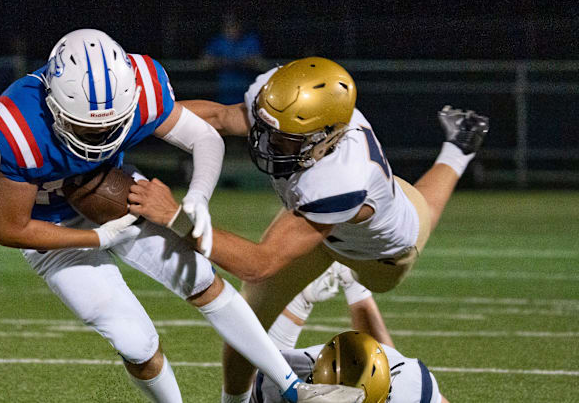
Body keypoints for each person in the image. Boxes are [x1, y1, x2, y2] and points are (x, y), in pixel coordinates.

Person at [0, 31, 362, 403]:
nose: (100, 136)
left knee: (200, 277)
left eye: (110, 124)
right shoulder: (19, 125)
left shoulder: (142, 87)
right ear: (53, 104)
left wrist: (198, 196)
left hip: (116, 193)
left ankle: (294, 388)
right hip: (50, 227)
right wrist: (97, 239)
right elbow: (12, 228)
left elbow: (205, 137)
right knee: (135, 341)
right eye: (88, 126)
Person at [127, 56, 488, 401]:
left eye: (286, 139)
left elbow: (259, 262)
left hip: (379, 255)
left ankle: (458, 148)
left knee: (420, 212)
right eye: (268, 129)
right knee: (246, 319)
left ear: (329, 135)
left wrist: (177, 217)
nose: (267, 142)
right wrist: (131, 120)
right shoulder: (283, 100)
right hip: (317, 218)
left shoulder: (342, 178)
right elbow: (220, 117)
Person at [255, 263, 450, 403]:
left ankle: (352, 281)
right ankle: (304, 297)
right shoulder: (281, 380)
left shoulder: (412, 387)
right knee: (258, 370)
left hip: (390, 367)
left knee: (384, 352)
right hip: (293, 371)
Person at [201, 12, 266, 104]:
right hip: (223, 92)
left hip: (246, 91)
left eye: (234, 25)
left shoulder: (250, 40)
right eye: (228, 26)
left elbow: (261, 63)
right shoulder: (217, 41)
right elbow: (204, 63)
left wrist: (243, 62)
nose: (231, 29)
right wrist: (222, 62)